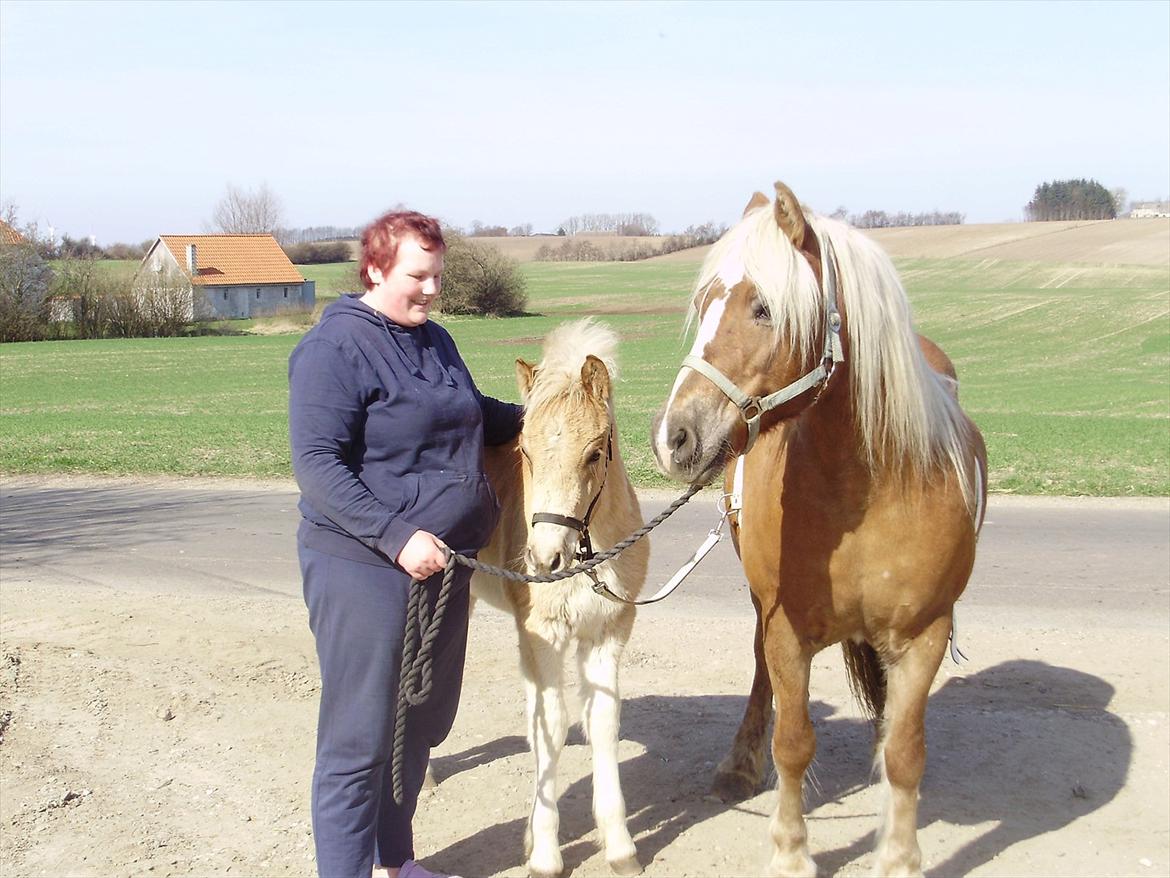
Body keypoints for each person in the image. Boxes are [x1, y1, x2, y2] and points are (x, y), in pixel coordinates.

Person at [288, 210, 523, 878]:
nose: (430, 290)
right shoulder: (335, 349)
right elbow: (317, 466)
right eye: (416, 276)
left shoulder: (435, 340)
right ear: (375, 268)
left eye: (437, 277)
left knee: (417, 723)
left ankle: (396, 861)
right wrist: (396, 538)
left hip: (443, 567)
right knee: (359, 740)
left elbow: (477, 415)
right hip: (363, 566)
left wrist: (553, 412)